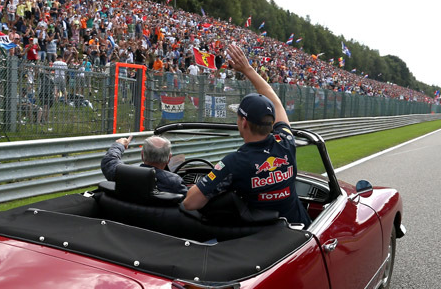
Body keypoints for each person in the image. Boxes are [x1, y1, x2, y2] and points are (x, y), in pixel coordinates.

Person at [183, 44, 312, 226]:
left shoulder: (234, 163)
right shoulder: (286, 142)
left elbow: (190, 202)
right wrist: (248, 69)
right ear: (270, 121)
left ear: (243, 122)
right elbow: (276, 102)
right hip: (300, 230)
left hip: (260, 243)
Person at [101, 135, 188, 195]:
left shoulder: (125, 174)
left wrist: (119, 145)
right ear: (169, 158)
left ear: (142, 155)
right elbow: (192, 203)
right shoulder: (174, 182)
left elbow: (109, 161)